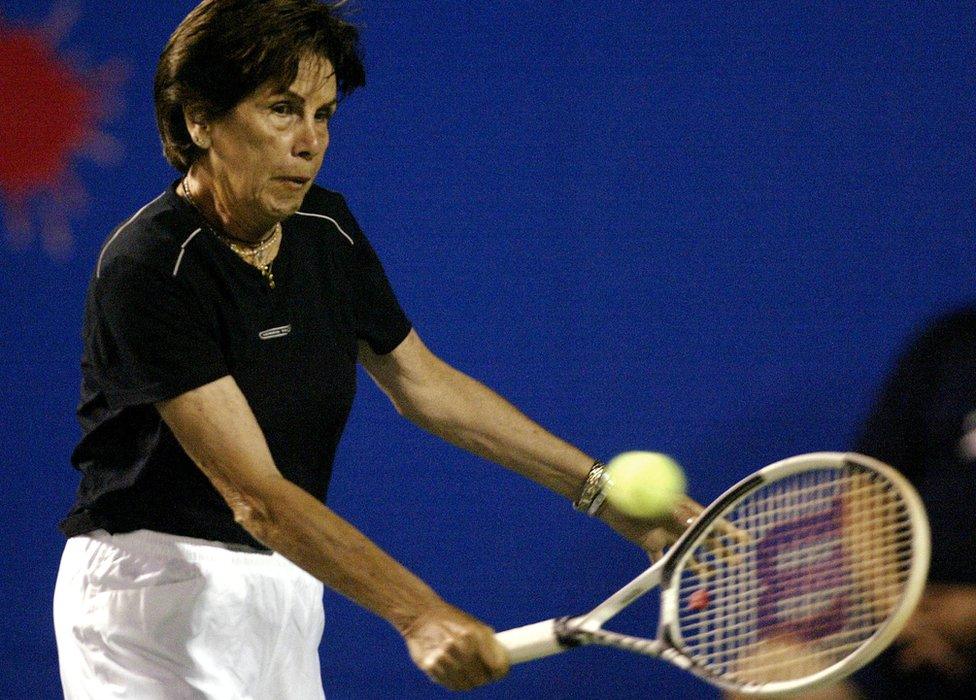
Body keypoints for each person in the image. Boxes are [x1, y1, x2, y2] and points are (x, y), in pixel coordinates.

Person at [52, 1, 699, 697]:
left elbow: (424, 384)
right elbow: (257, 496)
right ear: (198, 119)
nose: (309, 140)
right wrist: (419, 613)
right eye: (281, 108)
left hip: (284, 586)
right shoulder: (150, 266)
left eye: (323, 114)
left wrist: (600, 492)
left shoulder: (324, 228)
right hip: (152, 602)